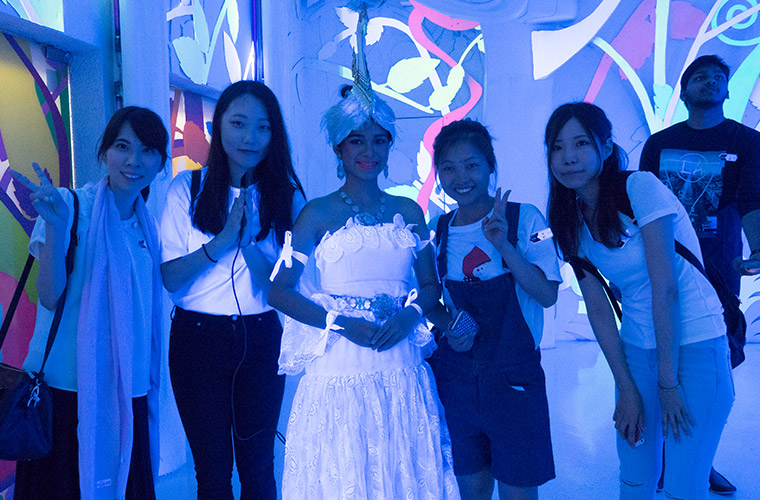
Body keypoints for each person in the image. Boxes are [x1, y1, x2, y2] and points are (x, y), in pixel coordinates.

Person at [267, 77, 459, 497]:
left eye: (379, 140)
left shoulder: (409, 210)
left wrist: (409, 316)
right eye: (356, 141)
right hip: (339, 363)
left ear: (389, 146)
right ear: (339, 147)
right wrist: (340, 323)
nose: (369, 151)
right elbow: (279, 291)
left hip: (400, 360)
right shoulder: (316, 213)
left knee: (401, 467)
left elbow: (430, 286)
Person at [546, 102, 734, 500]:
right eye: (557, 147)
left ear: (606, 146)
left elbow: (666, 288)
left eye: (581, 143)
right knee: (634, 478)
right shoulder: (570, 219)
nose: (568, 157)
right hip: (637, 348)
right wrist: (626, 387)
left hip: (697, 344)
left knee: (684, 486)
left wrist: (668, 383)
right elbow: (598, 308)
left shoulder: (639, 188)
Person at [11, 106, 169, 500]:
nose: (134, 161)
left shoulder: (149, 227)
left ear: (161, 162)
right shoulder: (69, 206)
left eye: (148, 151)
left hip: (128, 390)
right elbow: (49, 296)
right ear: (104, 153)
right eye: (123, 146)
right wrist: (55, 226)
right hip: (65, 388)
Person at [159, 80, 305, 500]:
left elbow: (286, 289)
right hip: (197, 339)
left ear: (274, 134)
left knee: (258, 468)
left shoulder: (288, 198)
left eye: (262, 127)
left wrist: (250, 245)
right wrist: (221, 242)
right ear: (218, 126)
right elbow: (171, 279)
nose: (249, 138)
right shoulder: (187, 188)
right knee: (212, 472)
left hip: (261, 338)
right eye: (238, 123)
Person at [638, 54, 760, 494]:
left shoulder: (747, 140)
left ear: (726, 91)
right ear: (684, 90)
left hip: (717, 274)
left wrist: (759, 247)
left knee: (712, 369)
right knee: (659, 360)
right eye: (701, 76)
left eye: (718, 78)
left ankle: (697, 459)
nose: (711, 82)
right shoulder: (659, 143)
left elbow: (751, 199)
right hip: (660, 269)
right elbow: (639, 203)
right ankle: (663, 458)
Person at [426, 119, 560, 500]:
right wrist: (450, 326)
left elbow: (547, 295)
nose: (460, 178)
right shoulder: (437, 230)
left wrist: (503, 245)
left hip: (513, 382)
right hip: (457, 384)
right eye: (448, 168)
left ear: (490, 166)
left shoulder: (526, 219)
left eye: (471, 165)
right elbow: (430, 299)